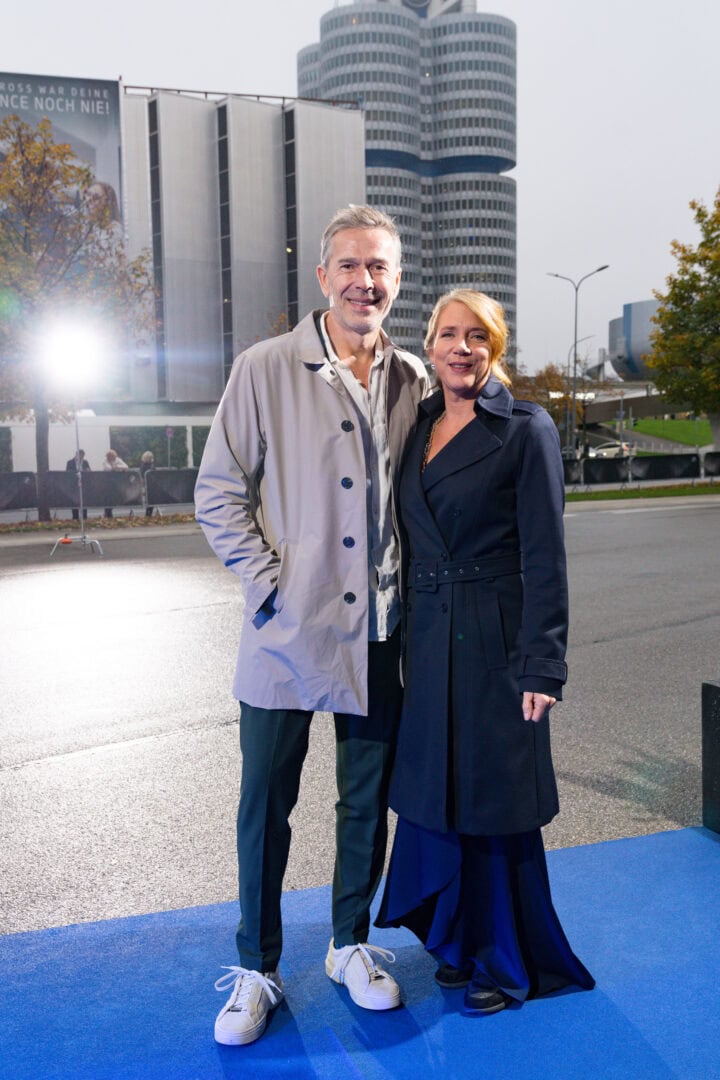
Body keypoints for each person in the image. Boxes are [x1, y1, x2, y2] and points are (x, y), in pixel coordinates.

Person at [194, 205, 430, 1047]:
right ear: (324, 276)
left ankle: (348, 943)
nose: (366, 281)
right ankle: (257, 966)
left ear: (397, 280)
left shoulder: (412, 377)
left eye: (381, 267)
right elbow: (217, 492)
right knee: (266, 804)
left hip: (381, 627)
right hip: (287, 631)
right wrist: (271, 588)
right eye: (351, 266)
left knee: (366, 799)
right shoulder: (265, 367)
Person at [376, 289, 594, 1015]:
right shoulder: (418, 426)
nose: (461, 348)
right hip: (428, 639)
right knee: (439, 791)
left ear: (493, 348)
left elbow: (546, 558)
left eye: (476, 336)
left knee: (492, 798)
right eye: (448, 335)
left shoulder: (525, 428)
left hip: (496, 641)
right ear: (430, 347)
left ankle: (503, 958)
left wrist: (542, 664)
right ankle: (457, 940)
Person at [102, 448, 128, 518]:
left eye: (113, 456)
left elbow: (126, 466)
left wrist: (117, 466)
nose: (111, 458)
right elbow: (108, 468)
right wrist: (118, 468)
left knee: (115, 498)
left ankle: (109, 511)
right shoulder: (105, 461)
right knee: (108, 498)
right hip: (107, 482)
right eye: (110, 456)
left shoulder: (118, 460)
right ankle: (107, 513)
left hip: (116, 482)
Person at [65, 449, 90, 521]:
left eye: (83, 456)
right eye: (80, 455)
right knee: (74, 500)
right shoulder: (70, 462)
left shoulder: (85, 462)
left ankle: (84, 517)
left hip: (83, 483)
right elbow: (67, 472)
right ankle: (75, 517)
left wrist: (87, 471)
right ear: (76, 455)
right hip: (73, 484)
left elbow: (89, 470)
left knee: (84, 500)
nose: (82, 457)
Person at [139, 450, 155, 517]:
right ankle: (147, 513)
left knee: (152, 499)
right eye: (148, 457)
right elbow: (142, 475)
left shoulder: (152, 464)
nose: (150, 459)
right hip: (147, 484)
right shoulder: (143, 465)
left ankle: (149, 513)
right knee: (148, 499)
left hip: (152, 484)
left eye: (151, 457)